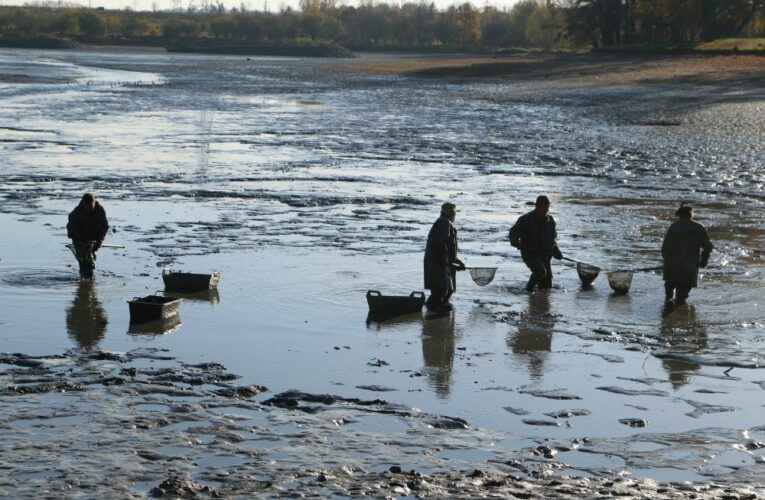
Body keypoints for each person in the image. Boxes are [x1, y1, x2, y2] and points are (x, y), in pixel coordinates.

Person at [661, 202, 713, 305]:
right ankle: (678, 314)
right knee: (682, 296)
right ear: (691, 214)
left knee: (669, 294)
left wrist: (666, 261)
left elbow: (664, 248)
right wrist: (703, 260)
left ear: (679, 215)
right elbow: (707, 247)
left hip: (672, 265)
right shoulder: (698, 227)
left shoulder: (673, 227)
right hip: (688, 266)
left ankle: (668, 307)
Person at [508, 195, 562, 292]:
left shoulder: (551, 221)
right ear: (537, 207)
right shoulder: (525, 219)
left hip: (545, 254)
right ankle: (528, 291)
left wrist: (556, 251)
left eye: (547, 207)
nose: (545, 210)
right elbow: (513, 234)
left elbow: (552, 240)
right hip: (529, 253)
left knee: (547, 282)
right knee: (540, 271)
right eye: (542, 207)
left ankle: (541, 300)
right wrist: (517, 243)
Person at [424, 202, 465, 312]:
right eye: (455, 212)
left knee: (446, 290)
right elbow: (440, 243)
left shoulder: (444, 223)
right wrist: (445, 261)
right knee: (440, 289)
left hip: (440, 262)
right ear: (452, 213)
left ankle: (437, 308)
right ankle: (431, 311)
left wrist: (457, 262)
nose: (455, 215)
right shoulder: (444, 223)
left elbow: (448, 247)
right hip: (437, 263)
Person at [67, 193, 109, 279]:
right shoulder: (75, 214)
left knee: (89, 262)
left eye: (91, 207)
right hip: (79, 239)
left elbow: (104, 226)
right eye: (87, 207)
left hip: (93, 237)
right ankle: (84, 280)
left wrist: (100, 241)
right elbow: (72, 231)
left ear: (94, 203)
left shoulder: (100, 210)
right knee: (84, 263)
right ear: (83, 204)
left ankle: (88, 278)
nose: (89, 209)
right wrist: (81, 240)